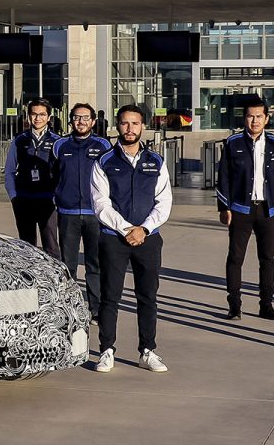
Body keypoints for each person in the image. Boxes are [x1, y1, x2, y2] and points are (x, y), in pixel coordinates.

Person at [88, 105, 170, 374]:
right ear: (117, 126)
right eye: (125, 123)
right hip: (114, 239)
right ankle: (107, 350)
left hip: (148, 239)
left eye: (135, 124)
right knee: (110, 297)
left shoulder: (156, 161)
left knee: (147, 297)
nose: (130, 129)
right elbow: (101, 204)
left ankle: (148, 351)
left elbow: (164, 202)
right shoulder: (104, 161)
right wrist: (126, 229)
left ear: (142, 126)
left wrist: (144, 230)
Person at [216, 97, 274, 321]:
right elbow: (224, 178)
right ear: (244, 118)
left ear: (267, 118)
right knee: (235, 258)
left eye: (259, 116)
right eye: (250, 116)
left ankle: (266, 305)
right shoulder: (233, 143)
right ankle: (235, 306)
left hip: (268, 210)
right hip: (240, 209)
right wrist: (224, 207)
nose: (255, 120)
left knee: (267, 259)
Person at [53, 103, 113, 318]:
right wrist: (57, 197)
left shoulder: (103, 145)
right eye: (77, 118)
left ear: (93, 122)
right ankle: (69, 307)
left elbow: (110, 177)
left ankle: (96, 308)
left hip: (94, 214)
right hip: (67, 213)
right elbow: (54, 175)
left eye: (86, 118)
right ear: (71, 120)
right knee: (67, 264)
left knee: (94, 263)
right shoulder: (60, 145)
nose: (81, 122)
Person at [6, 100, 60, 256]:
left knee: (51, 246)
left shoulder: (57, 141)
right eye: (34, 114)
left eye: (42, 114)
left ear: (49, 117)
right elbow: (9, 170)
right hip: (24, 200)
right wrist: (14, 196)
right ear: (29, 116)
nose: (38, 118)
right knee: (26, 246)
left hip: (48, 201)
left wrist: (57, 196)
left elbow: (61, 172)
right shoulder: (19, 140)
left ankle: (53, 278)